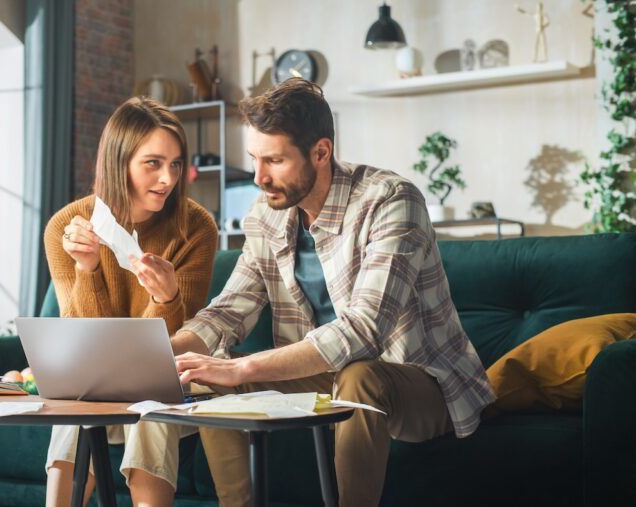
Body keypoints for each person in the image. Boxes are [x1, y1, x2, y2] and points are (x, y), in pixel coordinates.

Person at [169, 78, 495, 507]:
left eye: (275, 161)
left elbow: (364, 332)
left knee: (359, 374)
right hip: (327, 375)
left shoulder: (391, 200)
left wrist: (244, 368)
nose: (258, 177)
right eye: (254, 159)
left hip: (419, 380)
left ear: (321, 152)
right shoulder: (266, 217)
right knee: (209, 376)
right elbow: (228, 314)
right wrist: (159, 355)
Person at [43, 96, 218, 507]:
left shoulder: (196, 227)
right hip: (96, 381)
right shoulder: (66, 227)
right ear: (119, 162)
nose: (168, 178)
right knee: (73, 402)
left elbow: (174, 343)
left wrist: (167, 297)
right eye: (153, 163)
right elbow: (83, 341)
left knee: (151, 394)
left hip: (174, 378)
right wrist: (88, 268)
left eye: (175, 164)